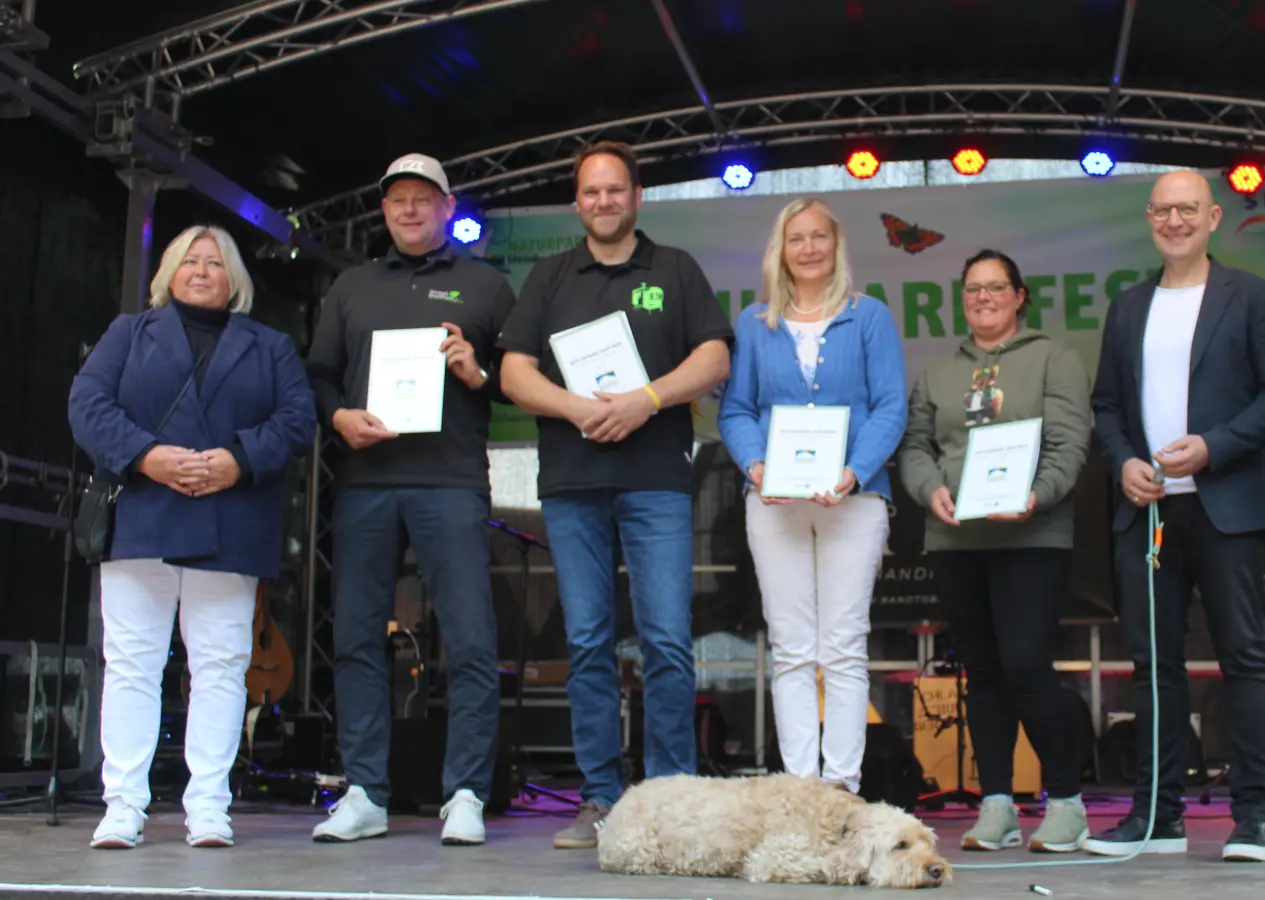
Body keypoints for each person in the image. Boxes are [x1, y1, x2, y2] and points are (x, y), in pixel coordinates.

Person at [498, 141, 732, 849]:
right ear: (578, 202)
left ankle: (669, 802)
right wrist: (578, 409)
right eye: (590, 192)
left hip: (655, 481)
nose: (603, 202)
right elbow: (513, 372)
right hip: (572, 485)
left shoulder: (676, 269)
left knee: (665, 639)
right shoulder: (548, 275)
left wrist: (645, 401)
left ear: (638, 196)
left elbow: (715, 357)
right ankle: (599, 799)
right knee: (589, 640)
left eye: (615, 190)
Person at [68, 224, 317, 849]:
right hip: (146, 515)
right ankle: (122, 804)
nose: (202, 270)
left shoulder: (270, 345)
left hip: (229, 519)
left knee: (221, 667)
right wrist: (147, 456)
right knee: (130, 666)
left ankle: (209, 805)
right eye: (190, 260)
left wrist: (238, 458)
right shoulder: (130, 333)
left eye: (215, 262)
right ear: (169, 272)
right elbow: (88, 403)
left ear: (235, 279)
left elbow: (297, 420)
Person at [304, 153, 516, 846]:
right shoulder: (351, 286)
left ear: (448, 208)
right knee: (358, 637)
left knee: (471, 640)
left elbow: (517, 381)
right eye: (398, 199)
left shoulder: (485, 287)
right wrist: (337, 419)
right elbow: (320, 376)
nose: (410, 209)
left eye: (425, 198)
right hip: (365, 483)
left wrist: (475, 371)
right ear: (385, 209)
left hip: (450, 479)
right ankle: (365, 791)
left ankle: (466, 794)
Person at [1086, 170, 1265, 861]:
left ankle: (1256, 817)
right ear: (1150, 218)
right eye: (1162, 210)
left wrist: (1212, 447)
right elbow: (1107, 407)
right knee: (1152, 668)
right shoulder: (1127, 306)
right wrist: (1123, 463)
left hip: (1227, 505)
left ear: (1212, 219)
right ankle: (1156, 817)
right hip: (1146, 512)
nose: (1174, 220)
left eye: (1188, 210)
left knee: (1244, 659)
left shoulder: (1253, 298)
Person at [898, 249, 1093, 853]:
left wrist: (1036, 496)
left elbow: (1069, 443)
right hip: (957, 538)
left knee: (1026, 666)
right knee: (980, 673)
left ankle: (1065, 802)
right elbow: (915, 447)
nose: (983, 298)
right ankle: (998, 805)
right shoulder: (937, 372)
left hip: (1031, 535)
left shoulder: (1053, 358)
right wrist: (930, 492)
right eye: (972, 289)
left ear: (1019, 296)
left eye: (996, 288)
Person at [716, 198, 907, 794]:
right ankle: (801, 787)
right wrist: (755, 465)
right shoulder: (753, 323)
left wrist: (853, 471)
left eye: (818, 236)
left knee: (844, 645)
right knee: (793, 648)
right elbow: (737, 409)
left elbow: (890, 407)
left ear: (836, 245)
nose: (808, 248)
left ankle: (842, 788)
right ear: (780, 249)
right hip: (775, 504)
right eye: (796, 238)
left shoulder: (868, 316)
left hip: (855, 500)